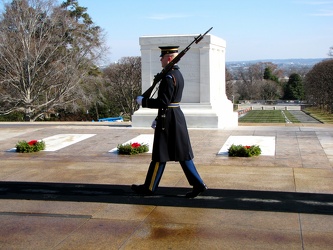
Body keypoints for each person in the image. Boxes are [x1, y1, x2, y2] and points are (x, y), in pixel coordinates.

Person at [132, 46, 207, 198]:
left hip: (169, 120)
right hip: (174, 117)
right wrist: (158, 117)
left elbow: (163, 102)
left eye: (163, 57)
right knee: (182, 154)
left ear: (170, 58)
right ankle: (198, 184)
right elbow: (170, 102)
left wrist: (144, 102)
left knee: (161, 155)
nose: (160, 59)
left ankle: (149, 187)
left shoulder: (168, 77)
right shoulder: (176, 74)